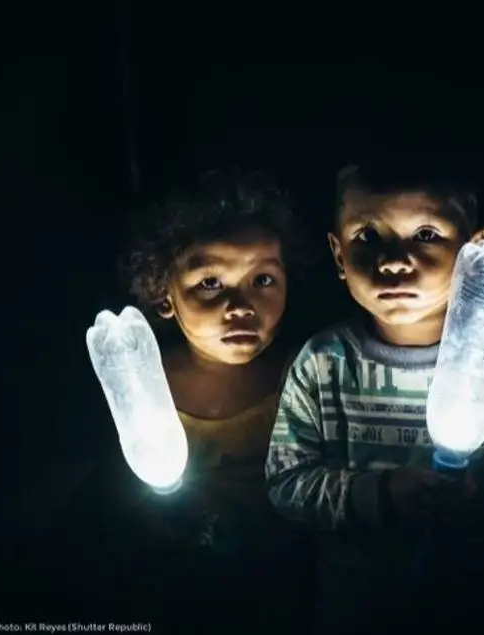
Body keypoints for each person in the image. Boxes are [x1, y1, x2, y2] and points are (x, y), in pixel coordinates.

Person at [265, 159, 484, 630]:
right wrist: (381, 496)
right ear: (337, 255)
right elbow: (286, 482)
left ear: (476, 252)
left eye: (427, 235)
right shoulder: (322, 364)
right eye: (368, 236)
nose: (392, 259)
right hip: (354, 613)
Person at [82, 168, 318, 629]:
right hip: (176, 586)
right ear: (164, 296)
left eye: (263, 280)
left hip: (285, 583)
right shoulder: (142, 388)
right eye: (210, 283)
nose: (241, 305)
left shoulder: (304, 376)